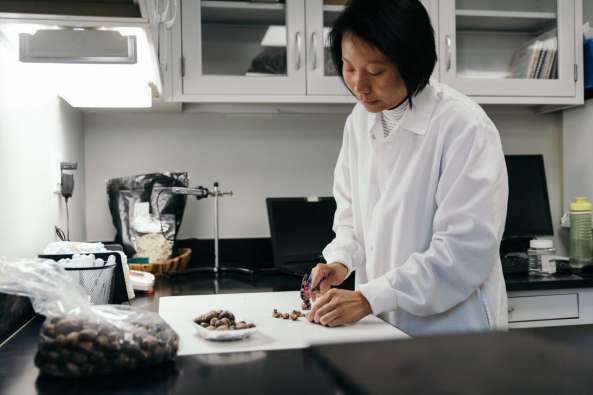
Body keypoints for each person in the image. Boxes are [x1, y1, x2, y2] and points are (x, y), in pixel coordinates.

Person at [307, 0, 509, 336]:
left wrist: (370, 298)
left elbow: (461, 252)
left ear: (411, 63)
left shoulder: (464, 127)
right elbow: (351, 213)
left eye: (376, 71)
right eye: (348, 67)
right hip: (386, 328)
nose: (359, 85)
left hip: (455, 332)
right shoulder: (359, 122)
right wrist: (341, 260)